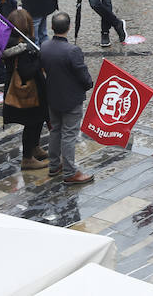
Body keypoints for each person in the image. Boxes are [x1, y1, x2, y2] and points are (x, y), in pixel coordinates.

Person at [39, 11, 94, 184]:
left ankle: (54, 165)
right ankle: (70, 172)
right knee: (69, 135)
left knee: (55, 130)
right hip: (71, 99)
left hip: (53, 97)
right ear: (69, 28)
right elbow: (84, 77)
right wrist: (88, 85)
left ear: (52, 27)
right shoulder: (72, 50)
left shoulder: (44, 46)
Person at [0, 7, 49, 170]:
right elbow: (26, 72)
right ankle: (27, 158)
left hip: (31, 90)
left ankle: (35, 147)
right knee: (32, 122)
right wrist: (40, 59)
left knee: (38, 119)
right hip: (28, 92)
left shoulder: (14, 41)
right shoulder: (20, 47)